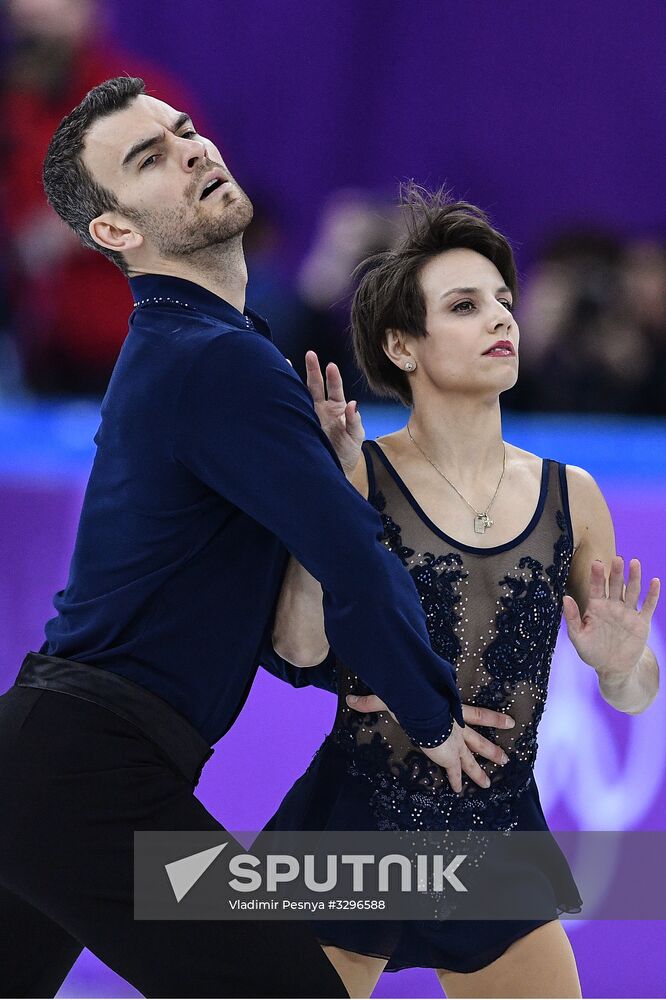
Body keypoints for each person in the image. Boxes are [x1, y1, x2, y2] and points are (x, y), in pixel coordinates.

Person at [0, 76, 503, 999]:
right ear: (116, 230)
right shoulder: (215, 359)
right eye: (149, 158)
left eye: (184, 131)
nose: (191, 149)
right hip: (84, 779)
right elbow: (358, 557)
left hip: (56, 773)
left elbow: (288, 640)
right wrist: (430, 716)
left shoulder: (205, 351)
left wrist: (331, 485)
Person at [266, 187, 661, 998]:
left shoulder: (571, 495)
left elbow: (634, 695)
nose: (502, 320)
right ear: (403, 346)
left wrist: (622, 666)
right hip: (360, 821)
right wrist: (330, 511)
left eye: (505, 302)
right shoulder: (359, 476)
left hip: (495, 829)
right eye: (465, 305)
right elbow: (299, 649)